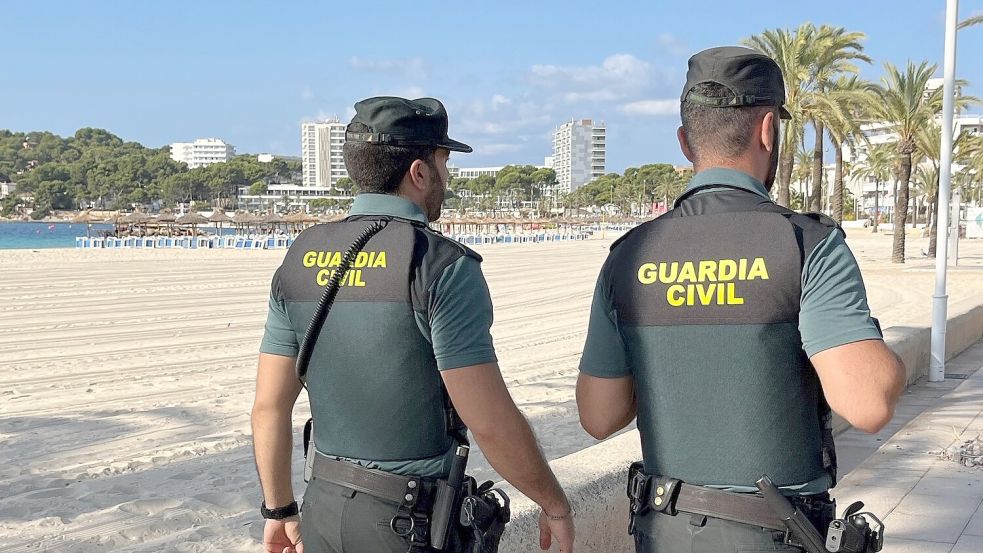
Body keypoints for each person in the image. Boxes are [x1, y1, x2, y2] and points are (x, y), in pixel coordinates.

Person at [575, 47, 907, 553]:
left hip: (663, 532)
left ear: (686, 142)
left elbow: (599, 417)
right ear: (768, 130)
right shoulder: (805, 244)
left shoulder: (628, 256)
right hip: (776, 534)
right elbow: (868, 403)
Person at [252, 96, 574, 553]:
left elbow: (269, 407)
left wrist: (279, 509)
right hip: (407, 524)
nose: (448, 177)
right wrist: (553, 503)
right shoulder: (440, 264)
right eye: (444, 162)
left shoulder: (299, 257)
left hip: (322, 507)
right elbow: (489, 421)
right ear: (419, 173)